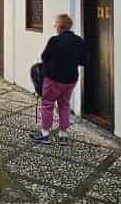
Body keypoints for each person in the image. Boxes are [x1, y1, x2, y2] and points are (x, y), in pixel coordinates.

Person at [30, 13, 85, 145]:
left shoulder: (54, 40)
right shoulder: (79, 41)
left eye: (56, 25)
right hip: (71, 79)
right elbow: (83, 61)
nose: (55, 27)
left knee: (47, 103)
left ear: (60, 26)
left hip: (54, 78)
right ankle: (63, 135)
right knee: (64, 105)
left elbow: (44, 57)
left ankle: (45, 134)